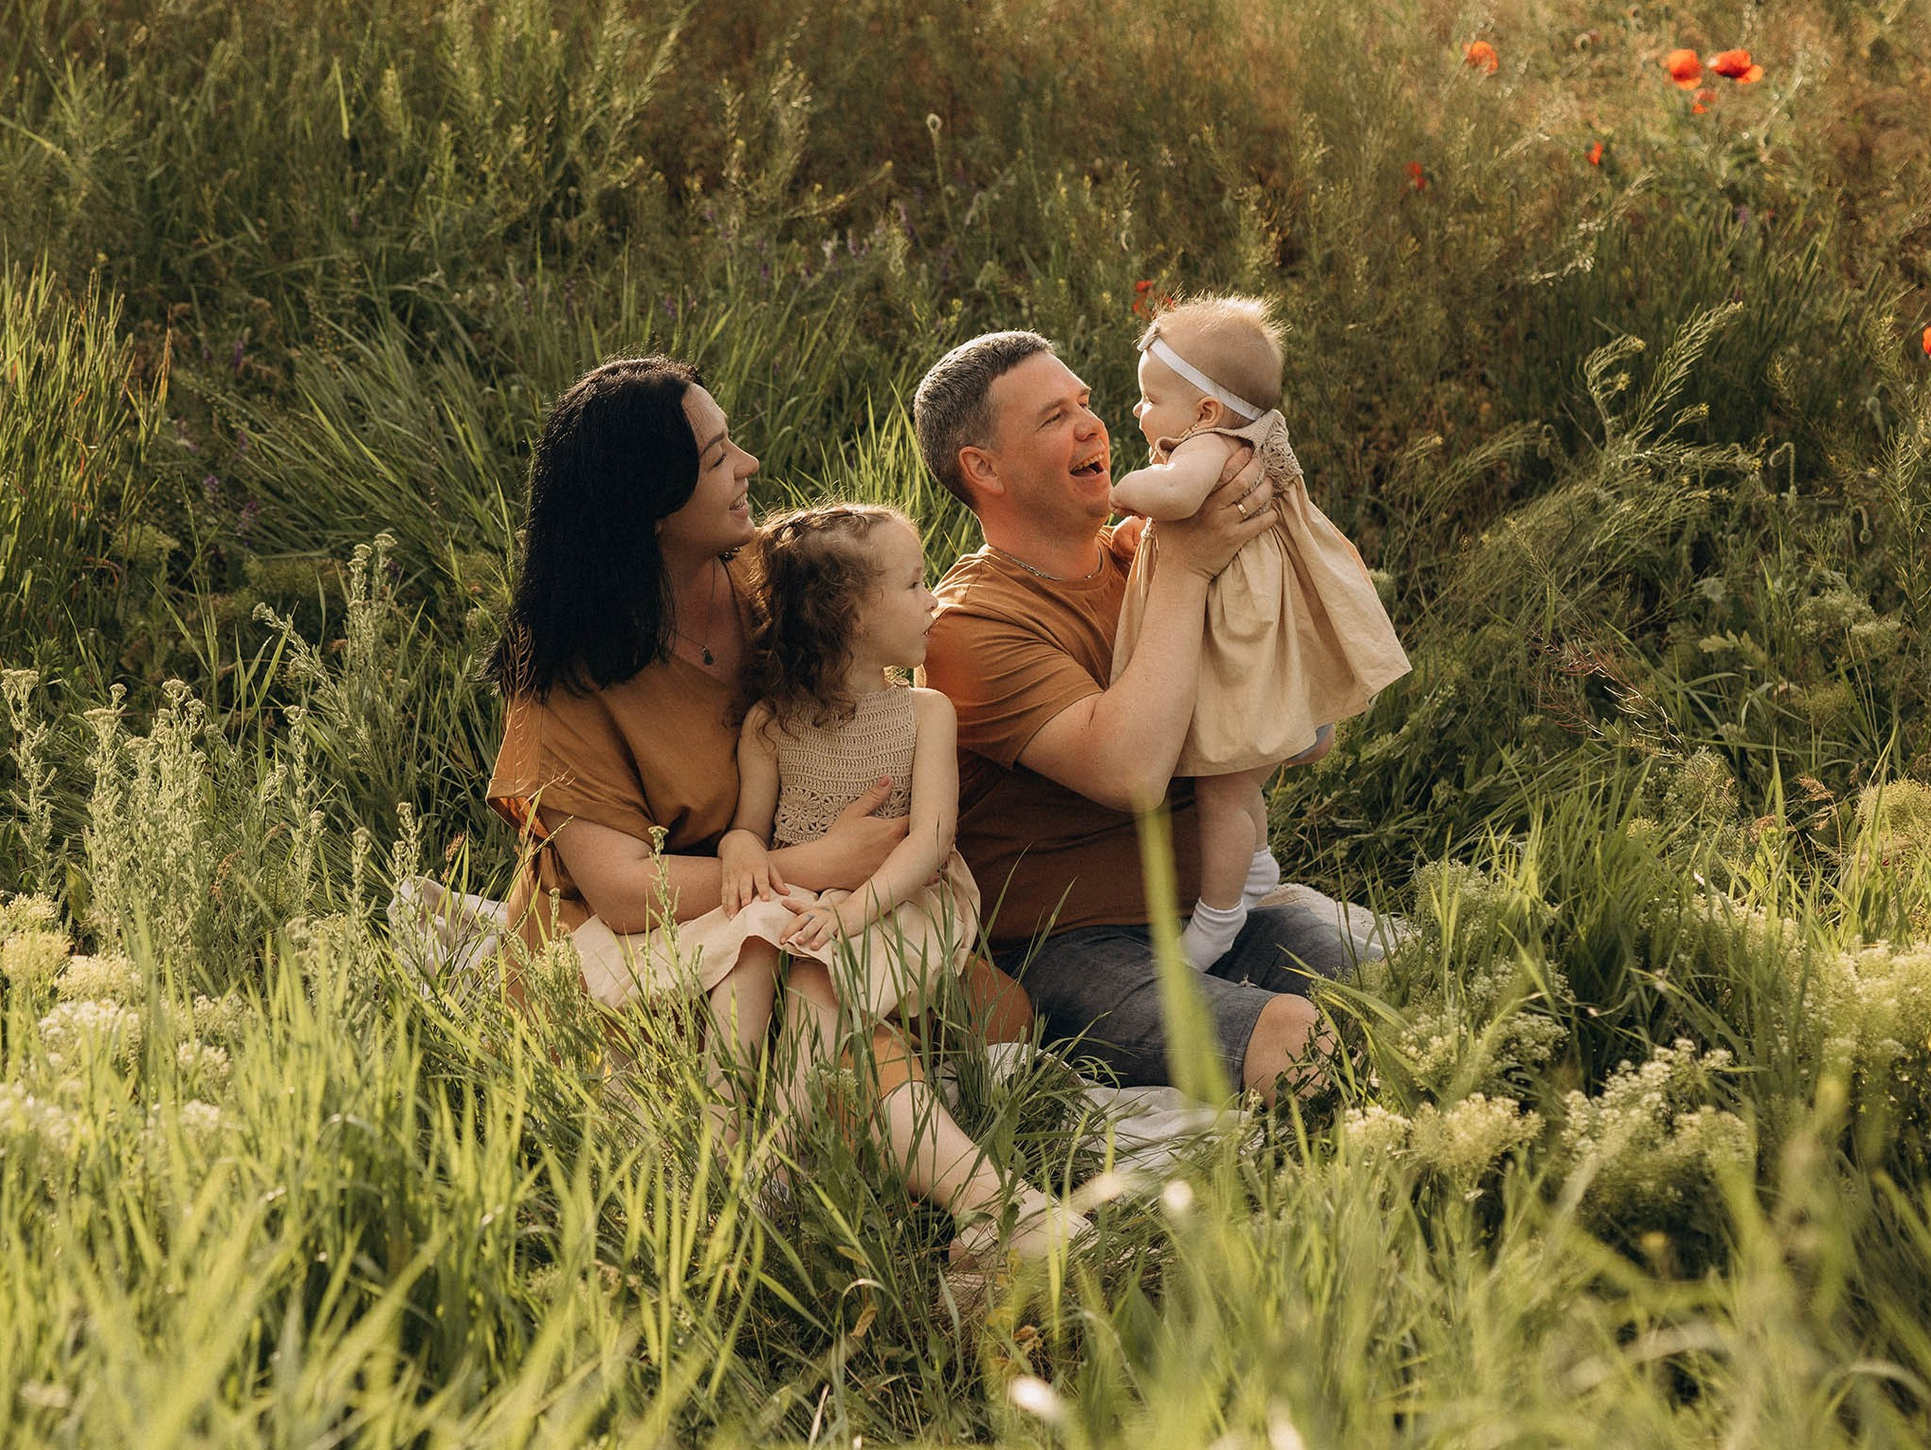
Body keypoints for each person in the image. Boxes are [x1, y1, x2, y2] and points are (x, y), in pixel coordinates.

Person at [486, 359, 1079, 1267]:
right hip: (660, 933)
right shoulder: (567, 670)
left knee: (993, 1008)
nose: (750, 466)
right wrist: (819, 867)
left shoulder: (774, 583)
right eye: (720, 456)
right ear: (652, 505)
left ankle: (858, 1171)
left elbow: (893, 622)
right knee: (843, 1022)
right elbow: (619, 890)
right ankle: (1002, 1212)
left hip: (799, 895)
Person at [913, 330, 1356, 1100]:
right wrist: (1190, 567)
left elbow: (1308, 737)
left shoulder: (1141, 555)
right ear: (983, 468)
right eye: (1055, 417)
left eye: (1086, 403)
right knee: (1294, 1037)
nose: (1093, 426)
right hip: (1066, 946)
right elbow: (1131, 772)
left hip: (1210, 914)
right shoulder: (967, 626)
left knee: (1411, 985)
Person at [1108, 298, 1410, 971]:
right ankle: (1255, 873)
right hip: (1256, 642)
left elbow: (1179, 498)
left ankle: (1216, 922)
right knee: (1241, 787)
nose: (1138, 412)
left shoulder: (1209, 451)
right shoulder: (1245, 441)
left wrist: (1122, 491)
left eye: (1151, 398)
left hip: (1237, 650)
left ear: (1207, 411)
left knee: (1223, 787)